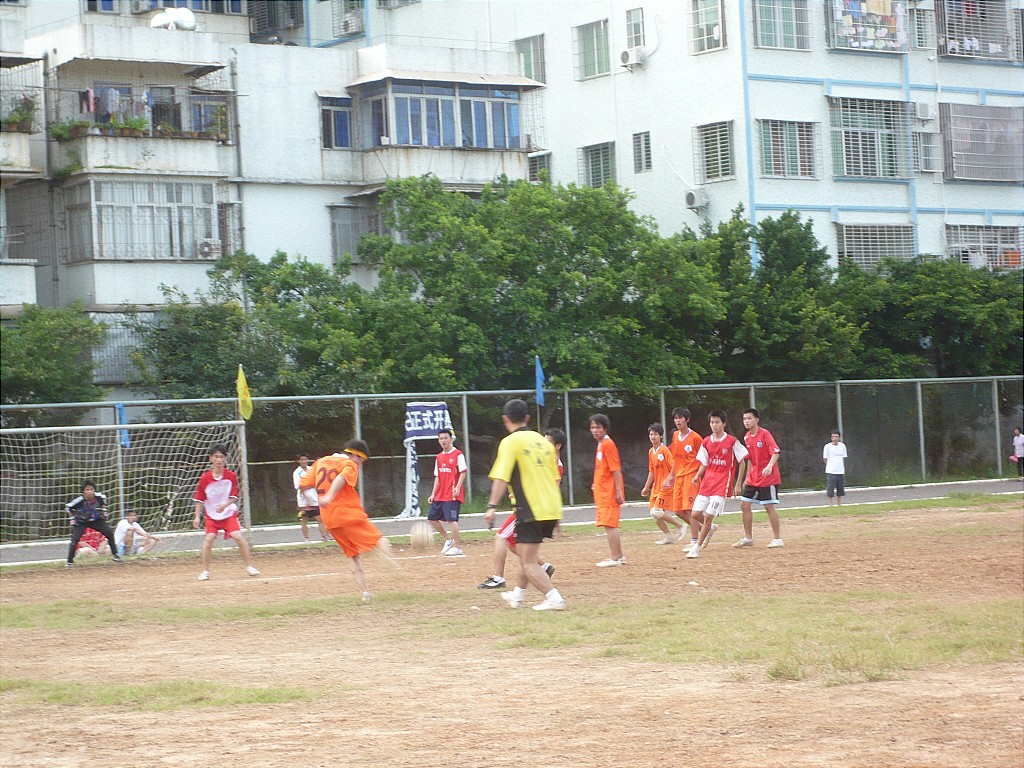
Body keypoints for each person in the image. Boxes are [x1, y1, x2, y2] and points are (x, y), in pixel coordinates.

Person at [484, 399, 565, 611]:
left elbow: (501, 478)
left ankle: (554, 598)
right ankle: (517, 595)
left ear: (505, 419)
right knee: (524, 552)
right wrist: (558, 513)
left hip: (530, 507)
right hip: (550, 506)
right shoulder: (543, 442)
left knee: (528, 561)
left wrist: (492, 506)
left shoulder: (510, 442)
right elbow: (554, 478)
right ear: (527, 418)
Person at [304, 439, 395, 602]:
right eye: (361, 460)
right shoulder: (349, 464)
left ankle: (365, 593)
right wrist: (330, 496)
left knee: (352, 554)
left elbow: (303, 484)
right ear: (354, 455)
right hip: (347, 513)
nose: (360, 464)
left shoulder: (321, 461)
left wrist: (316, 499)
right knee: (379, 539)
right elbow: (341, 478)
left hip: (329, 518)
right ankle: (397, 564)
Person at [192, 444, 260, 581]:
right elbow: (199, 499)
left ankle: (249, 566)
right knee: (209, 538)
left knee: (238, 536)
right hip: (212, 515)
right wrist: (197, 517)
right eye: (216, 457)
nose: (219, 460)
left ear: (225, 458)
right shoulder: (205, 478)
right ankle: (205, 571)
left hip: (228, 513)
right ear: (211, 458)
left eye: (221, 457)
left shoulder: (231, 476)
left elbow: (234, 496)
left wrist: (225, 505)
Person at [687, 411, 748, 559]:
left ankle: (696, 548)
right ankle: (711, 528)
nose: (714, 425)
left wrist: (738, 483)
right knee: (695, 514)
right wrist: (697, 476)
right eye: (712, 422)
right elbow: (704, 462)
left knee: (708, 516)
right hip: (707, 483)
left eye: (717, 422)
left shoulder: (732, 442)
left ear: (724, 424)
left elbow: (742, 462)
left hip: (722, 484)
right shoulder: (706, 442)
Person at [736, 408, 784, 549]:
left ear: (756, 420)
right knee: (744, 505)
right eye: (744, 419)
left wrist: (769, 466)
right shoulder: (746, 437)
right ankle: (748, 538)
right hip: (754, 477)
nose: (746, 421)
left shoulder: (765, 434)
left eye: (749, 418)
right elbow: (750, 459)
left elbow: (775, 452)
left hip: (768, 478)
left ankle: (777, 539)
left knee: (768, 506)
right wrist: (747, 478)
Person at [590, 413, 626, 567]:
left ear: (605, 428)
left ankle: (616, 558)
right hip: (602, 491)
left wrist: (618, 490)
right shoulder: (601, 444)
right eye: (592, 427)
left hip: (609, 492)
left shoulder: (607, 444)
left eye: (598, 427)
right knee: (608, 524)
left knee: (610, 524)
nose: (595, 430)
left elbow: (615, 469)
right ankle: (619, 556)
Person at [640, 422, 686, 544]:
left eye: (655, 434)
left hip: (666, 487)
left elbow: (674, 466)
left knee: (656, 511)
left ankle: (681, 526)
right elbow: (652, 471)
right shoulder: (651, 452)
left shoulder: (664, 450)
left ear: (660, 436)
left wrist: (670, 479)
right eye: (651, 434)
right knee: (654, 514)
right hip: (656, 488)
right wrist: (646, 487)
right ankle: (669, 537)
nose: (653, 437)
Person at [426, 428, 467, 556]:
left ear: (451, 439)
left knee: (451, 520)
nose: (443, 440)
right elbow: (437, 476)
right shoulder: (439, 457)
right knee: (432, 518)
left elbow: (463, 472)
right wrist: (433, 493)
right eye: (441, 438)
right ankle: (448, 540)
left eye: (445, 438)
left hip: (452, 494)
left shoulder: (458, 454)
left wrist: (458, 487)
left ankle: (457, 547)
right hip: (440, 494)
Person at [667, 407, 703, 550]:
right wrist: (671, 475)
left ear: (687, 419)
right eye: (675, 418)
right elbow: (675, 458)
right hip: (679, 476)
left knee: (689, 509)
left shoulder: (696, 438)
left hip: (691, 476)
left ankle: (694, 541)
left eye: (680, 418)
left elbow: (704, 459)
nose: (678, 421)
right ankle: (706, 528)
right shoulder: (675, 436)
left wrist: (698, 475)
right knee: (677, 511)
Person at [65, 481, 122, 568]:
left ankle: (115, 555)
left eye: (91, 489)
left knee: (109, 533)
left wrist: (104, 512)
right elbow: (68, 507)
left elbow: (103, 503)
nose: (89, 492)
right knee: (75, 540)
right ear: (83, 491)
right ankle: (69, 561)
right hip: (81, 521)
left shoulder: (99, 497)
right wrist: (72, 518)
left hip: (95, 519)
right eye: (87, 490)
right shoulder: (79, 501)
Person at [293, 453, 330, 544]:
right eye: (301, 459)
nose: (303, 461)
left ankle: (324, 537)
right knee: (304, 519)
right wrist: (308, 486)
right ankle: (306, 538)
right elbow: (298, 486)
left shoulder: (312, 469)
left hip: (314, 498)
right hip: (303, 499)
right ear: (299, 461)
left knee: (320, 518)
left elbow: (317, 481)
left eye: (305, 459)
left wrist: (310, 485)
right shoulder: (297, 472)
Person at [823, 430, 849, 506]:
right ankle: (830, 504)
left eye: (836, 437)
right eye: (833, 437)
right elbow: (825, 458)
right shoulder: (827, 447)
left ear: (839, 437)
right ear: (831, 438)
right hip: (831, 471)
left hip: (840, 471)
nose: (835, 438)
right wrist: (830, 466)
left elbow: (843, 457)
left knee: (840, 489)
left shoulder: (842, 446)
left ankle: (839, 504)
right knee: (830, 489)